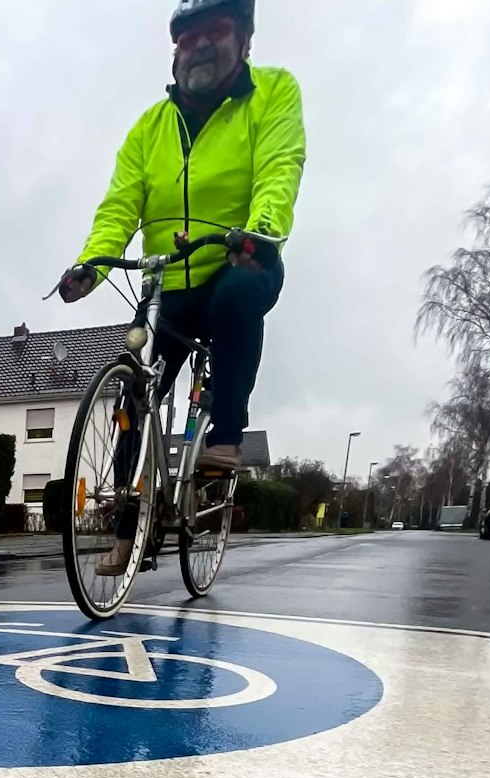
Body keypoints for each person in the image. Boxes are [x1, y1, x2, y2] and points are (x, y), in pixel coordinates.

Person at [58, 0, 305, 488]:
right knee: (134, 383)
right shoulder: (149, 128)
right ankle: (129, 519)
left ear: (244, 39)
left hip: (239, 259)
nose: (199, 47)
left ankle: (226, 437)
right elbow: (120, 208)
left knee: (235, 299)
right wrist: (90, 265)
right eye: (186, 40)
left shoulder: (273, 93)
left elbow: (280, 169)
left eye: (215, 32)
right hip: (167, 280)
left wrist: (260, 232)